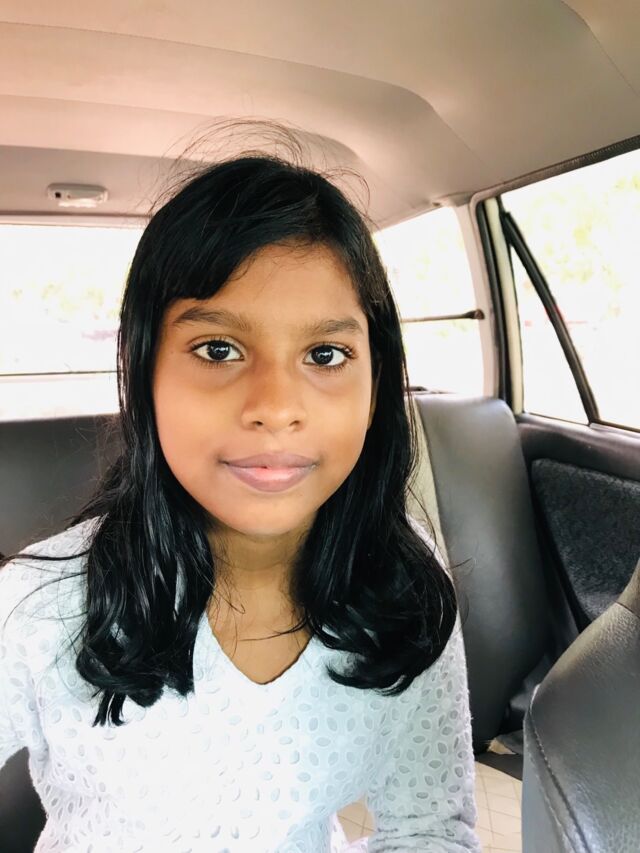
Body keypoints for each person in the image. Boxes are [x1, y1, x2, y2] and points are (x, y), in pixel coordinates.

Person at [0, 131, 482, 852]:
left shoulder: (401, 588)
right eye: (218, 349)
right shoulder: (41, 603)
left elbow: (428, 828)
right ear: (143, 367)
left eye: (326, 354)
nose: (276, 407)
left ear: (375, 381)